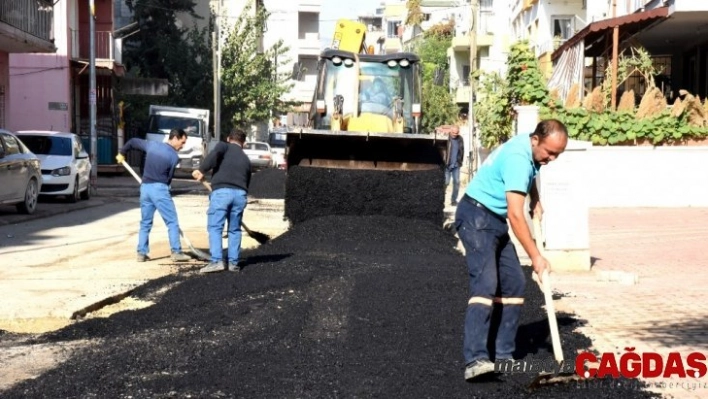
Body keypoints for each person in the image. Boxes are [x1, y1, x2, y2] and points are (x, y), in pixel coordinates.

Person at [455, 119, 568, 381]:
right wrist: (536, 257)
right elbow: (516, 216)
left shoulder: (530, 152)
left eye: (557, 154)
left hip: (493, 219)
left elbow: (532, 171)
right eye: (549, 152)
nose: (551, 158)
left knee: (514, 283)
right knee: (486, 282)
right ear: (536, 139)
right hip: (476, 215)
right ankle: (475, 359)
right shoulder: (519, 158)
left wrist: (536, 199)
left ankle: (504, 356)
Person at [116, 129, 191, 263]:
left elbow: (132, 142)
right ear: (175, 138)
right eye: (182, 142)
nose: (182, 146)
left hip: (145, 188)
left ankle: (141, 253)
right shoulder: (173, 156)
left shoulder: (152, 145)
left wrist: (122, 153)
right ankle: (176, 251)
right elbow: (168, 179)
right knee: (172, 221)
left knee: (145, 222)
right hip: (160, 189)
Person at [191, 128, 252, 273]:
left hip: (222, 193)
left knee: (215, 227)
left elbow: (215, 154)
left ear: (229, 139)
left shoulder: (224, 146)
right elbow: (247, 181)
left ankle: (217, 261)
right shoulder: (246, 159)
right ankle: (233, 263)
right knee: (235, 229)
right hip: (240, 195)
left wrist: (202, 170)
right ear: (243, 143)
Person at [444, 125, 464, 206]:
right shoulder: (446, 138)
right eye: (453, 133)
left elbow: (462, 150)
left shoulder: (460, 139)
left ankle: (453, 200)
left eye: (456, 133)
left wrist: (460, 161)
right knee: (446, 182)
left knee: (457, 182)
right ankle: (441, 198)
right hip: (447, 165)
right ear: (450, 131)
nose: (454, 134)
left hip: (456, 165)